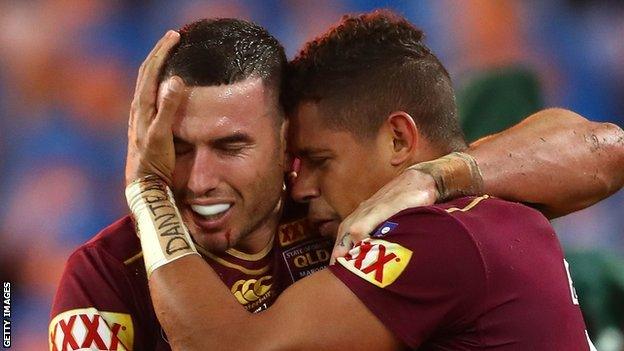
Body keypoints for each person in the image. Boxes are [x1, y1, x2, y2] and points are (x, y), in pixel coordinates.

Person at [50, 17, 623, 351]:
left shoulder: (416, 230)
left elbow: (606, 149)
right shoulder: (104, 274)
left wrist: (147, 192)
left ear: (280, 146)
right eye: (175, 150)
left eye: (232, 147)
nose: (200, 178)